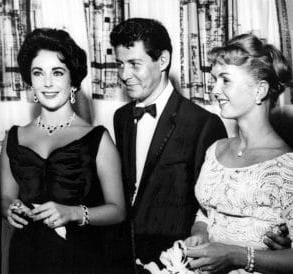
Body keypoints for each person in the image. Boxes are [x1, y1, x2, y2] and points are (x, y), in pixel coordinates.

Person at [0, 28, 126, 274]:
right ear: (30, 81)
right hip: (26, 257)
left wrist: (73, 212)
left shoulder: (98, 138)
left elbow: (118, 211)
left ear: (73, 81)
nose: (47, 83)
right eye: (38, 73)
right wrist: (10, 208)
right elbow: (5, 197)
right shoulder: (13, 138)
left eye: (57, 73)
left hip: (81, 259)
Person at [109, 18, 228, 273]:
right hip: (124, 255)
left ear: (163, 60)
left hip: (175, 260)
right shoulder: (121, 118)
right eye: (120, 64)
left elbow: (210, 208)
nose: (124, 75)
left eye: (134, 64)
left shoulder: (203, 124)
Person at [185, 33, 293, 274]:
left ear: (260, 90)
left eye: (225, 80)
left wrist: (236, 256)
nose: (214, 90)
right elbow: (206, 213)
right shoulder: (215, 150)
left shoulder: (287, 167)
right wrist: (200, 233)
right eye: (214, 80)